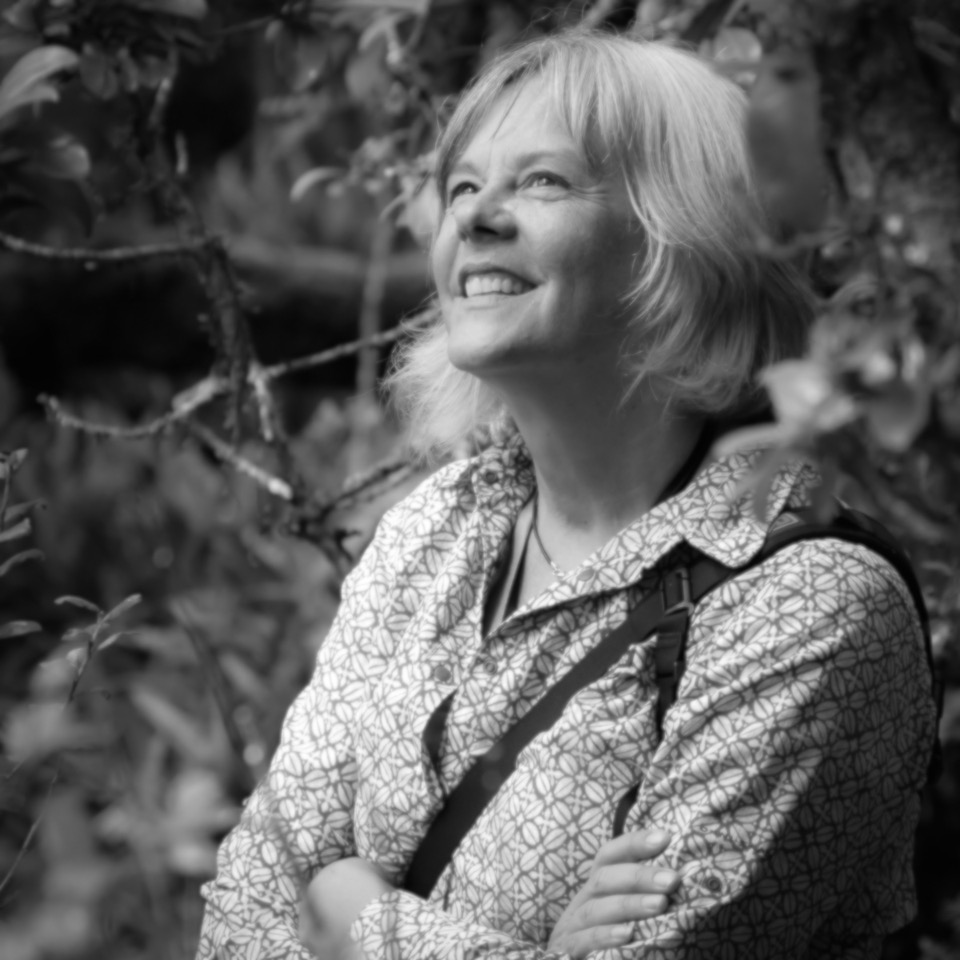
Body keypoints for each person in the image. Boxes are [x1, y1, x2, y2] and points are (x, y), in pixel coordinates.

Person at [196, 29, 937, 960]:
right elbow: (248, 905)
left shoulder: (810, 600)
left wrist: (354, 921)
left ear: (681, 235)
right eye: (462, 186)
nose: (475, 218)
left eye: (543, 181)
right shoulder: (437, 526)